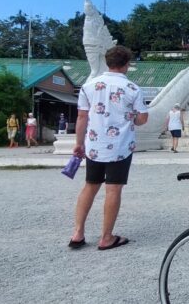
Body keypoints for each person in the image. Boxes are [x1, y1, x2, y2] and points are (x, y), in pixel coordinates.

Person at [69, 45, 149, 251]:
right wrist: (131, 116)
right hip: (120, 147)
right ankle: (106, 237)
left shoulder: (89, 86)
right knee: (113, 189)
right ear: (126, 64)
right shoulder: (132, 88)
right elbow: (142, 119)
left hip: (95, 145)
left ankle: (77, 233)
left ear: (108, 62)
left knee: (90, 185)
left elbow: (81, 116)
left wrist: (79, 143)